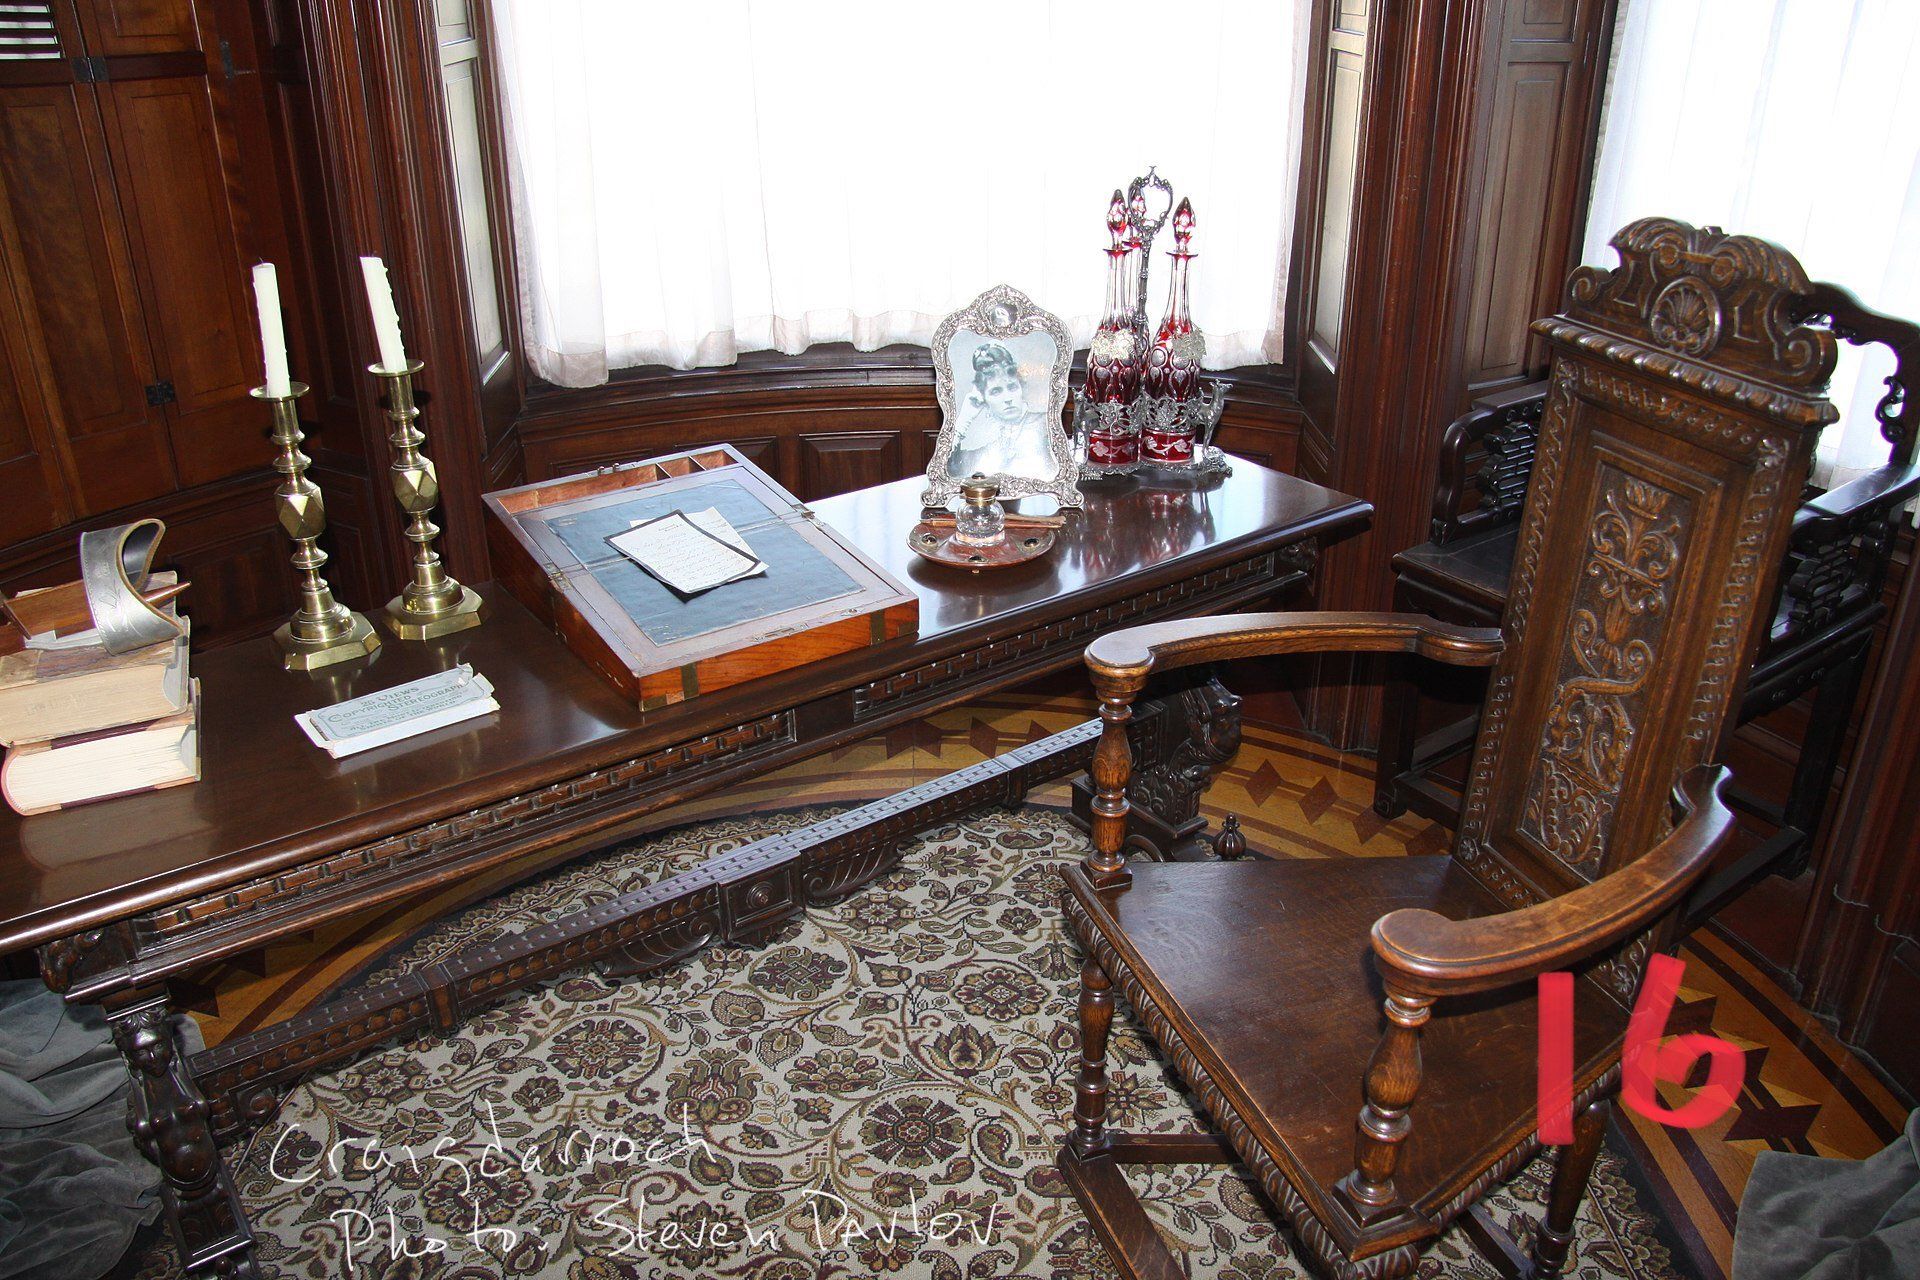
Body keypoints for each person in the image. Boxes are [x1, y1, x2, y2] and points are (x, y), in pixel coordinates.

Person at [947, 342, 1056, 479]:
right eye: (996, 391)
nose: (1008, 398)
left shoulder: (1046, 424)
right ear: (985, 400)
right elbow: (951, 470)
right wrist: (964, 419)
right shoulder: (989, 451)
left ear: (1021, 389)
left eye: (1012, 387)